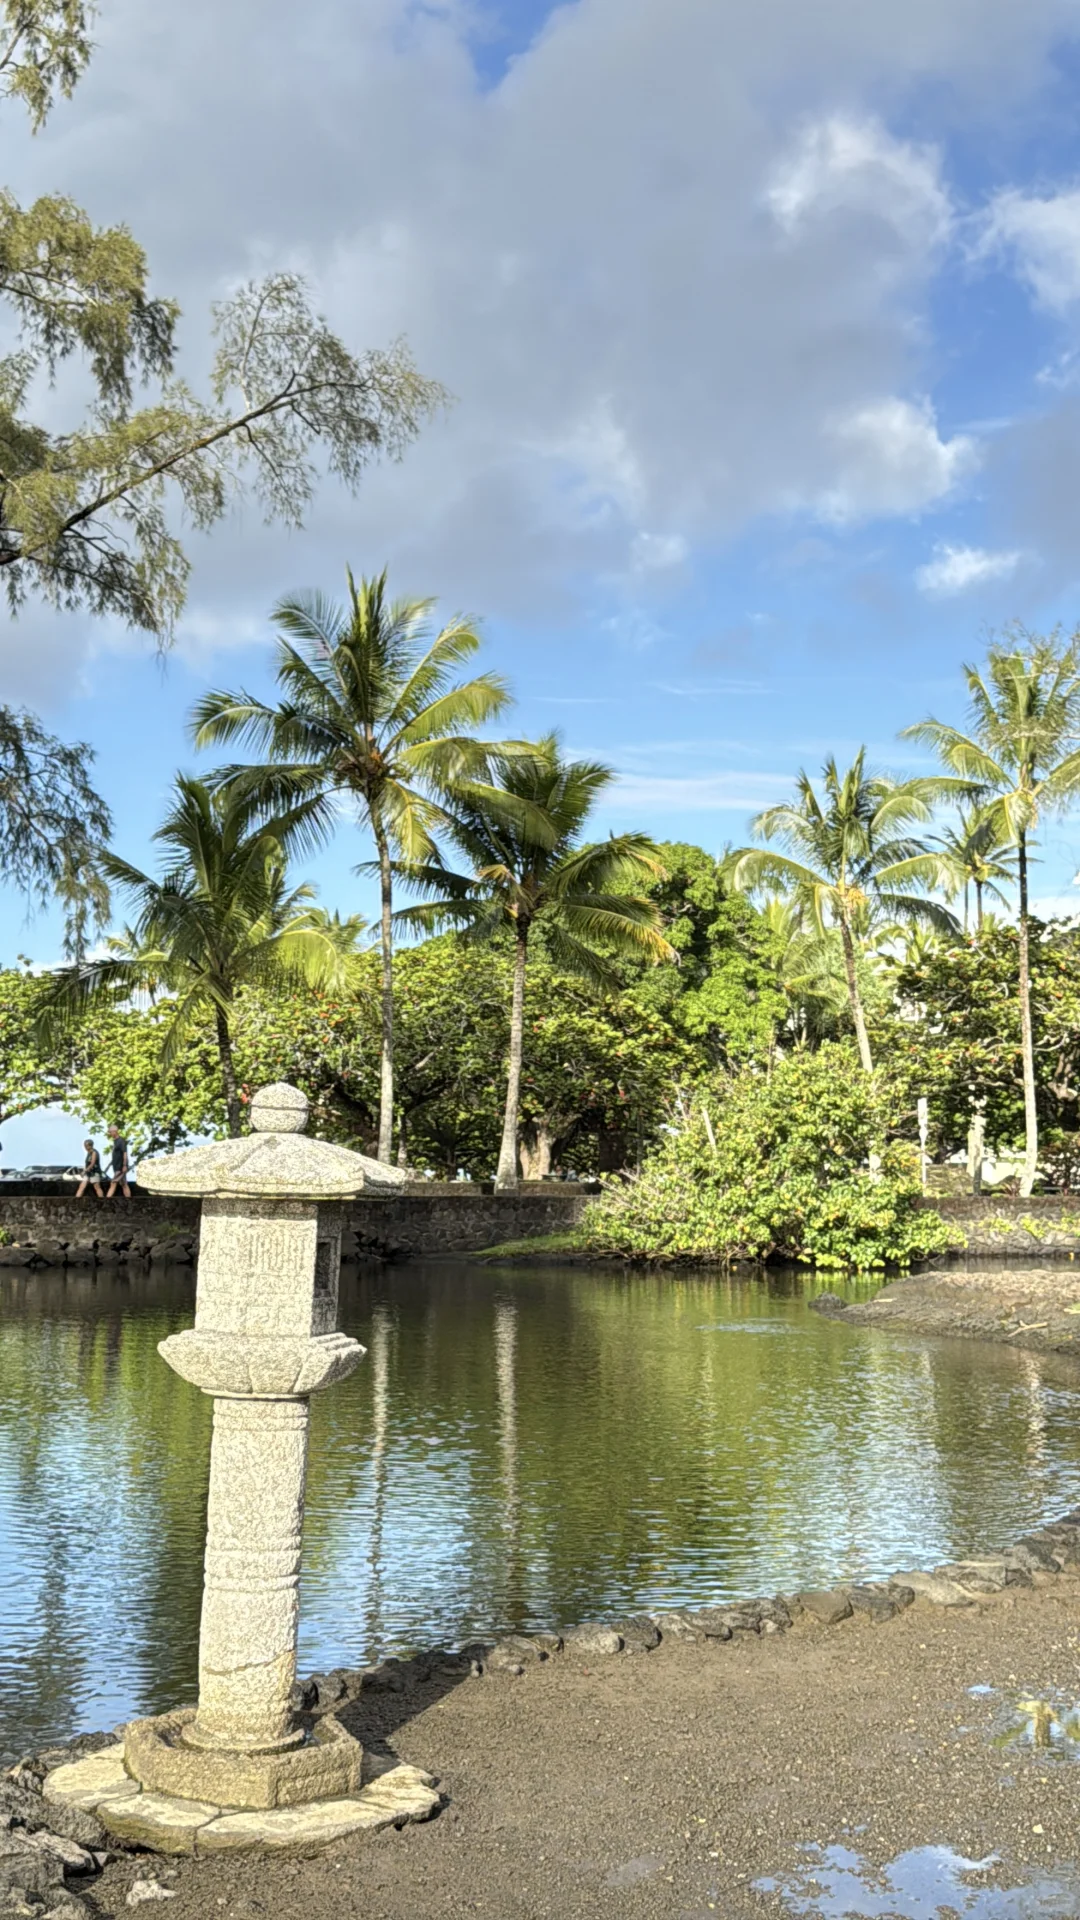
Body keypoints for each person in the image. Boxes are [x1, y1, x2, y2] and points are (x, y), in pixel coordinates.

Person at [106, 1125, 131, 1200]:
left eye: (110, 1132)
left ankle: (105, 1201)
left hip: (120, 1167)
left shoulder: (121, 1141)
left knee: (113, 1183)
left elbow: (125, 1153)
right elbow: (116, 1155)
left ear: (115, 1131)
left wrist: (124, 1165)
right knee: (124, 1184)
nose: (110, 1133)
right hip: (116, 1166)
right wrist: (110, 1164)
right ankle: (129, 1200)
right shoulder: (115, 1141)